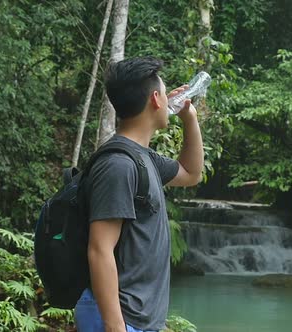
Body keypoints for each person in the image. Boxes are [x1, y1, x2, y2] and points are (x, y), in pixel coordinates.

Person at [74, 56, 204, 332]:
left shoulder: (143, 159)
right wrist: (115, 326)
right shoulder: (118, 165)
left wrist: (189, 118)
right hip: (117, 318)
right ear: (157, 99)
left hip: (134, 319)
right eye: (164, 91)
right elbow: (100, 249)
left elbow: (191, 173)